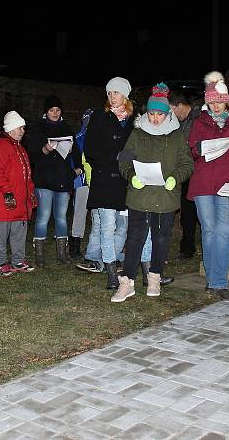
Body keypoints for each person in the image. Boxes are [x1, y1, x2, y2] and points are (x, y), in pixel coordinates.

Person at [111, 84, 193, 302]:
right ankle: (127, 282)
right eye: (152, 113)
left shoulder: (176, 136)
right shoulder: (137, 134)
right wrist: (131, 176)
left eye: (159, 114)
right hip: (140, 195)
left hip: (166, 197)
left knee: (161, 238)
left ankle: (155, 276)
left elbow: (187, 163)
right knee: (135, 238)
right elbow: (125, 160)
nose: (155, 118)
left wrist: (176, 178)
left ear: (167, 115)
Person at [187, 72, 229, 300]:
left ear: (227, 100)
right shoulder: (199, 122)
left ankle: (218, 282)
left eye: (219, 100)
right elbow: (191, 150)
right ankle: (213, 281)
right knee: (209, 231)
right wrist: (199, 148)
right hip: (203, 182)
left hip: (227, 183)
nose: (215, 105)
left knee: (224, 232)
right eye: (211, 101)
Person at [83, 77, 135, 289]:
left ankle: (112, 259)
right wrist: (113, 158)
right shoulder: (99, 116)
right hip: (104, 178)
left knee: (122, 226)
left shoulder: (134, 119)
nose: (112, 97)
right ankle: (111, 271)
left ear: (125, 95)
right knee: (107, 226)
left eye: (116, 93)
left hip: (126, 179)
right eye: (110, 93)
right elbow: (90, 149)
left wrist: (129, 161)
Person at [25, 95, 83, 265]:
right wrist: (44, 149)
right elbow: (32, 156)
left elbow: (76, 152)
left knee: (61, 216)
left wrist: (77, 168)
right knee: (43, 215)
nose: (55, 113)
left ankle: (62, 253)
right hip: (44, 180)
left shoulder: (66, 128)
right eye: (52, 110)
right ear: (46, 111)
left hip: (63, 179)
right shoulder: (38, 129)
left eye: (58, 110)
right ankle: (40, 255)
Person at [0, 111, 36, 276]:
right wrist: (7, 192)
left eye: (23, 128)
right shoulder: (0, 146)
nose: (22, 131)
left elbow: (26, 174)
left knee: (19, 231)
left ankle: (18, 260)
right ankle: (0, 261)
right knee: (2, 232)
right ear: (11, 128)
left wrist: (31, 193)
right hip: (4, 199)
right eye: (20, 128)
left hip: (20, 199)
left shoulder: (19, 148)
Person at [169, 90, 198, 262]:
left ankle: (190, 246)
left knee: (194, 211)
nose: (170, 115)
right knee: (186, 212)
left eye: (171, 110)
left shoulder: (198, 117)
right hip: (184, 172)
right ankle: (187, 247)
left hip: (197, 171)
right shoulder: (180, 122)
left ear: (179, 106)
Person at [69, 109, 93, 260]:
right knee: (80, 213)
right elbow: (73, 159)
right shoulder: (78, 138)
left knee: (98, 214)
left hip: (97, 180)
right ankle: (74, 245)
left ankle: (95, 246)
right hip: (82, 181)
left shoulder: (99, 137)